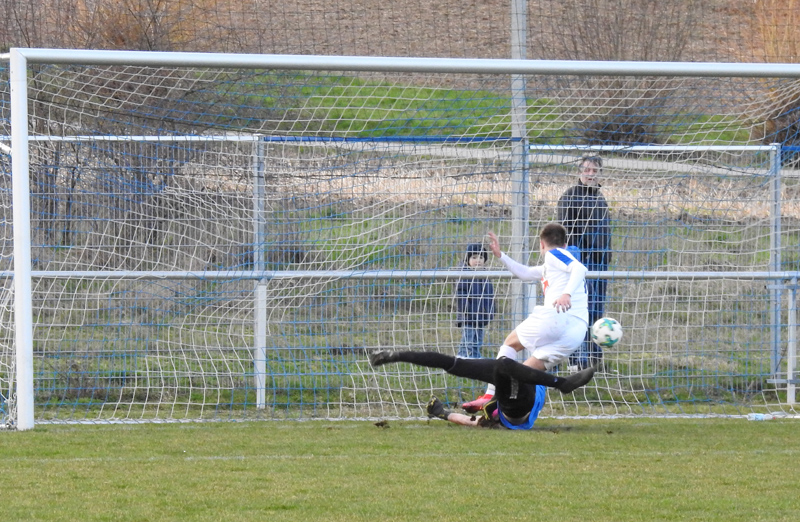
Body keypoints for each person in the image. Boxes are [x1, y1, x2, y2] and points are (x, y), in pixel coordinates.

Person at [461, 223, 589, 413]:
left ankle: (489, 395)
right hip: (576, 332)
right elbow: (526, 273)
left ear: (541, 244)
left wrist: (566, 294)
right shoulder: (551, 267)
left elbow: (579, 268)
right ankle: (497, 409)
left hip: (557, 317)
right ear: (565, 243)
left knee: (510, 344)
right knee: (521, 374)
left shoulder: (554, 254)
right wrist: (501, 256)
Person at [369, 349, 595, 429]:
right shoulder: (502, 420)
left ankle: (395, 356)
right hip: (519, 409)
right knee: (506, 365)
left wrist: (442, 413)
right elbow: (476, 422)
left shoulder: (491, 417)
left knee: (454, 364)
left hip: (513, 394)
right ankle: (563, 384)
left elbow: (472, 421)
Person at [557, 155, 611, 369]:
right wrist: (573, 259)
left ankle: (594, 359)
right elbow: (563, 232)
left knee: (596, 311)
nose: (590, 174)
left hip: (600, 264)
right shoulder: (570, 196)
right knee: (579, 312)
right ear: (580, 171)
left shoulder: (600, 198)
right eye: (587, 170)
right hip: (580, 264)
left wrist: (606, 256)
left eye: (594, 170)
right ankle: (577, 360)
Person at [455, 243, 495, 358]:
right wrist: (466, 310)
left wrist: (490, 312)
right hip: (468, 317)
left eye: (481, 257)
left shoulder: (486, 277)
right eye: (474, 257)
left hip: (481, 317)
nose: (478, 260)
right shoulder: (464, 275)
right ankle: (461, 359)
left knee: (477, 342)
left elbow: (490, 297)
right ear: (467, 260)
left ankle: (476, 360)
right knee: (467, 341)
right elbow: (461, 294)